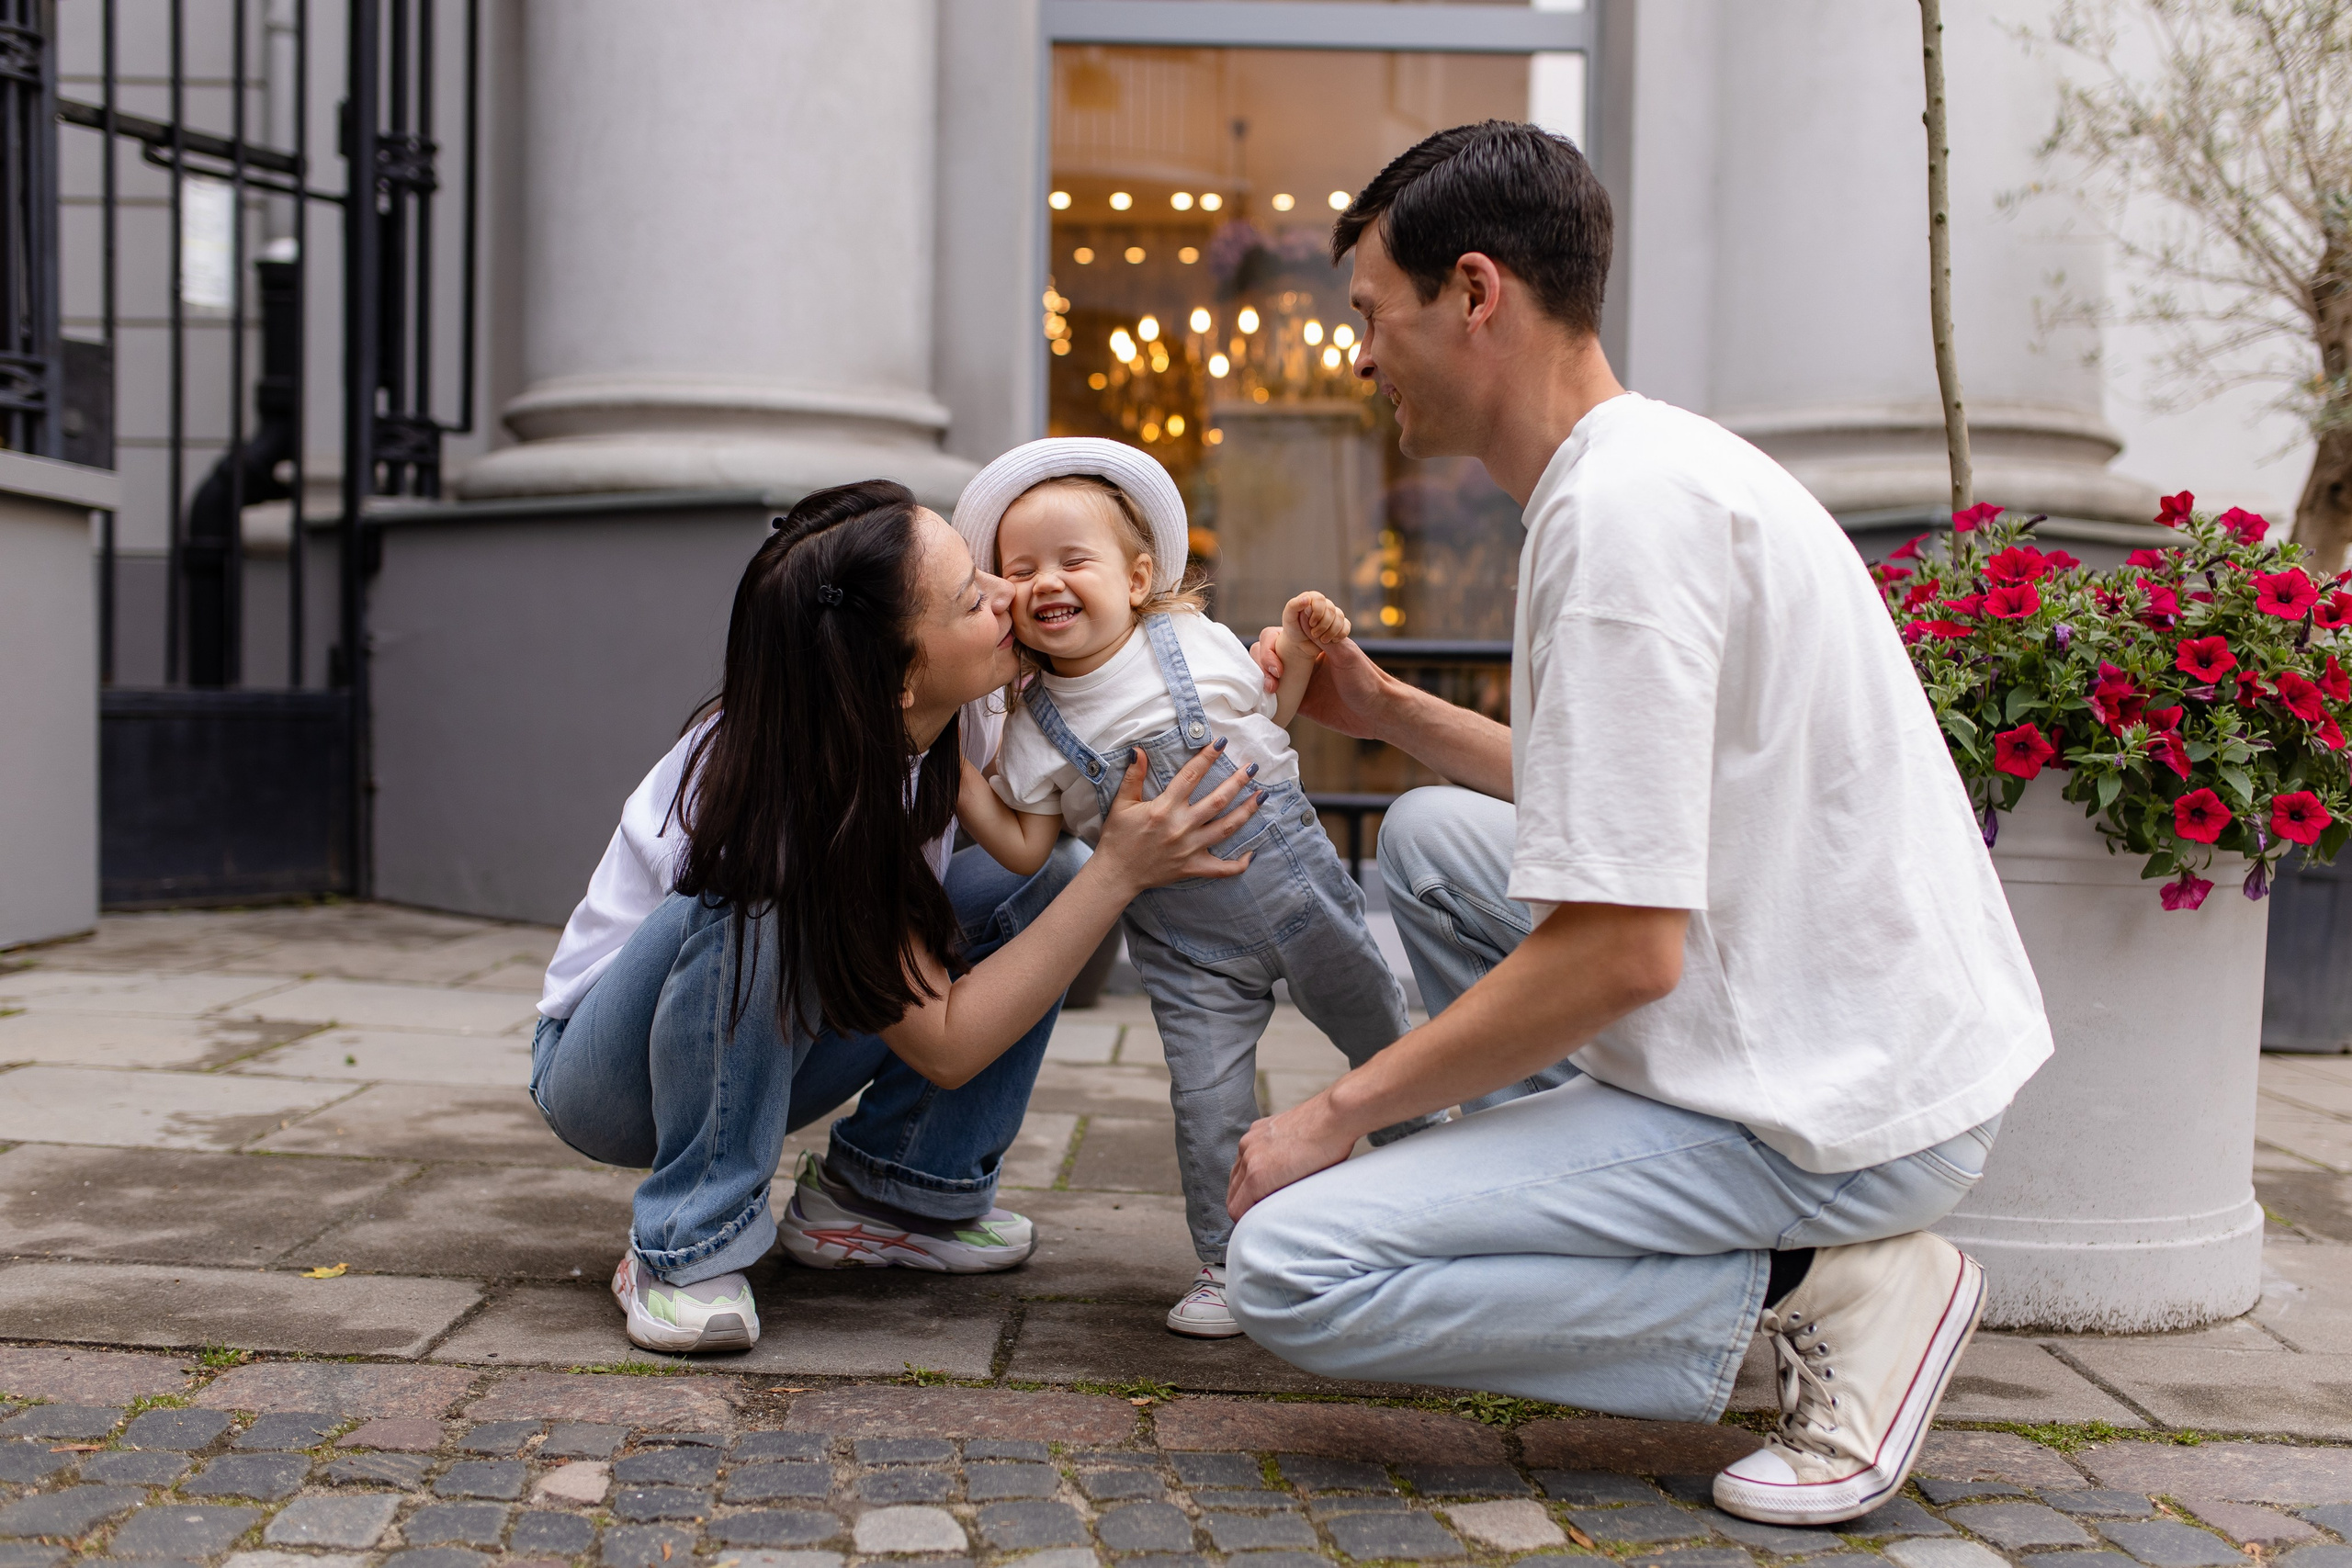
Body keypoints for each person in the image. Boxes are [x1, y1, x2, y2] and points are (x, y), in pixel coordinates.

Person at [1223, 122, 2053, 1527]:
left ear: (1475, 293)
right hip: (1844, 1016)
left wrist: (1330, 1114)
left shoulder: (1619, 526)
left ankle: (1827, 1286)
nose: (1359, 357)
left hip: (1831, 1111)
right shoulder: (1646, 468)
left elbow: (1621, 952)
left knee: (1291, 1266)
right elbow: (1611, 806)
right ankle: (1594, 1195)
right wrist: (1387, 709)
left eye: (1371, 315)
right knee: (1429, 834)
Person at [530, 479, 1261, 1355]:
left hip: (776, 1036)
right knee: (762, 882)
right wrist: (1120, 874)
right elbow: (945, 1043)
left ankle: (896, 1192)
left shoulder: (950, 716)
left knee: (1043, 876)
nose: (1008, 595)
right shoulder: (802, 782)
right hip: (611, 1072)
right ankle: (684, 1244)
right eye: (972, 597)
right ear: (906, 674)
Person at [949, 438, 1430, 1339]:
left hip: (1300, 896)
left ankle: (1440, 1191)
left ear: (1137, 580)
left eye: (1072, 560)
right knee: (1208, 1105)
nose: (1048, 579)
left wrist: (1301, 641)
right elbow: (1024, 849)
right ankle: (1229, 1260)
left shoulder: (1191, 641)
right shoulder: (1032, 727)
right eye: (1023, 569)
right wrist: (960, 778)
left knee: (1380, 1033)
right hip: (1184, 949)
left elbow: (1266, 720)